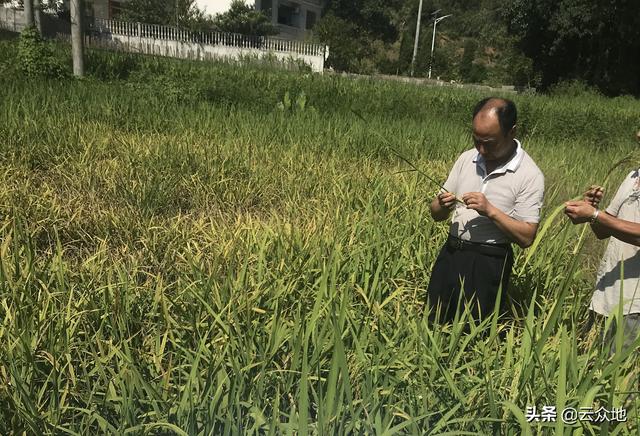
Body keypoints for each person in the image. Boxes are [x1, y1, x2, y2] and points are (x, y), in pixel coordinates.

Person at [427, 97, 545, 323]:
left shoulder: (529, 175)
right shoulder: (467, 158)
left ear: (512, 132)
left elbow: (527, 236)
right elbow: (436, 213)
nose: (481, 149)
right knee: (433, 319)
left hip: (487, 262)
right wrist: (441, 205)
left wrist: (490, 210)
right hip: (451, 253)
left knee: (472, 329)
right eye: (476, 140)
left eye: (489, 142)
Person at [564, 130, 640, 354]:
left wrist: (596, 215)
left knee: (617, 377)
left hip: (634, 304)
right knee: (591, 370)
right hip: (607, 295)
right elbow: (603, 231)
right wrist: (592, 211)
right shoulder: (633, 176)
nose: (637, 134)